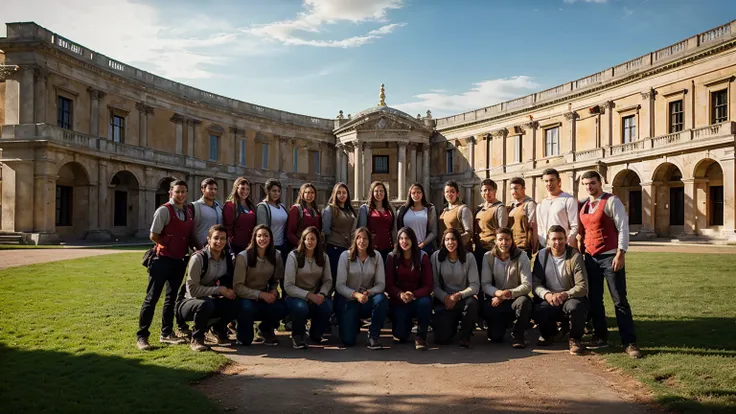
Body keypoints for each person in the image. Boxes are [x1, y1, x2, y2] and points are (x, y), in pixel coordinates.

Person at [579, 170, 641, 359]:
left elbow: (623, 228)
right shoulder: (584, 205)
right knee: (595, 300)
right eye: (586, 184)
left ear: (600, 182)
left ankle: (629, 342)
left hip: (610, 256)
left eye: (592, 183)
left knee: (619, 300)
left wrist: (620, 253)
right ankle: (600, 336)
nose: (590, 187)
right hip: (590, 257)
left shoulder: (612, 201)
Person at [137, 179, 195, 350]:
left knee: (171, 298)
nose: (181, 195)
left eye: (183, 191)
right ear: (171, 192)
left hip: (179, 260)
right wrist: (167, 244)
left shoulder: (188, 211)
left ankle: (166, 333)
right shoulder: (164, 210)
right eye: (177, 192)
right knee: (152, 298)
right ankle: (142, 336)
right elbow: (153, 234)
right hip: (162, 260)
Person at [177, 224, 238, 351]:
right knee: (206, 304)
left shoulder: (227, 258)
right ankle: (197, 338)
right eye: (215, 238)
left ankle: (218, 330)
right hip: (189, 302)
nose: (219, 242)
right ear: (208, 239)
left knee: (236, 302)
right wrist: (219, 290)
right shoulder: (198, 258)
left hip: (211, 299)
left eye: (222, 238)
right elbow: (193, 290)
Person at [532, 225, 589, 356]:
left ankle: (575, 339)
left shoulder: (575, 256)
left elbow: (582, 286)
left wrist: (565, 294)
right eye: (554, 239)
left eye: (561, 239)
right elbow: (535, 283)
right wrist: (546, 295)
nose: (557, 242)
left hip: (570, 296)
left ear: (566, 239)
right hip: (550, 297)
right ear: (548, 241)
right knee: (538, 308)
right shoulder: (541, 256)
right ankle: (549, 334)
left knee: (576, 307)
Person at [335, 227, 388, 349]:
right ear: (354, 240)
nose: (362, 241)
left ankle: (373, 335)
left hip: (367, 299)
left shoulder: (376, 256)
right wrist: (355, 295)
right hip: (349, 300)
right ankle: (350, 324)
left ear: (369, 241)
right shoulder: (345, 256)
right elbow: (339, 285)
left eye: (365, 238)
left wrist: (370, 292)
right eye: (358, 238)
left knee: (381, 300)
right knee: (348, 341)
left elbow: (381, 284)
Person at [233, 224, 286, 346]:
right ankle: (243, 333)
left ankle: (265, 329)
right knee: (245, 341)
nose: (263, 239)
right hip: (245, 297)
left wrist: (273, 290)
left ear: (271, 238)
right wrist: (261, 294)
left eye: (266, 236)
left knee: (282, 307)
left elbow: (275, 279)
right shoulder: (243, 256)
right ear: (254, 238)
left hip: (263, 295)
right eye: (259, 236)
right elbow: (238, 287)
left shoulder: (276, 255)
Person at [480, 227, 532, 349]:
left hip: (515, 298)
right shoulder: (488, 257)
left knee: (524, 302)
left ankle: (518, 334)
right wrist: (498, 293)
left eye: (507, 239)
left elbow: (527, 285)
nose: (504, 243)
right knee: (495, 338)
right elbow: (485, 284)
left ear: (512, 241)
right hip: (496, 300)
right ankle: (502, 325)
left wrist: (508, 294)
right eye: (501, 239)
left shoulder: (522, 256)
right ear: (495, 241)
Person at [284, 226, 333, 349]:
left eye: (313, 239)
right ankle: (298, 335)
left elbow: (328, 280)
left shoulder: (324, 257)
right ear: (303, 240)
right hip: (295, 296)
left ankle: (316, 333)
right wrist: (308, 295)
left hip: (315, 295)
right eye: (307, 239)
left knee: (327, 305)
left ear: (318, 241)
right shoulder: (293, 256)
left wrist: (322, 293)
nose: (310, 242)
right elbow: (288, 286)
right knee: (301, 307)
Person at [431, 228, 480, 348]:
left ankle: (465, 335)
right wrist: (445, 298)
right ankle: (452, 327)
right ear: (443, 241)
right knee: (441, 339)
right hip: (445, 301)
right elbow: (434, 285)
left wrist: (458, 296)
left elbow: (475, 285)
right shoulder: (436, 257)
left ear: (458, 241)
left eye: (453, 239)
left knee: (472, 304)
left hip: (463, 298)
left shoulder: (469, 257)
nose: (450, 242)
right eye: (447, 239)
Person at [385, 227, 433, 350]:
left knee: (426, 302)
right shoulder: (392, 257)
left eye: (407, 238)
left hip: (417, 298)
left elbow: (428, 285)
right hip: (399, 300)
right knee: (400, 336)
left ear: (413, 239)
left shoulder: (423, 256)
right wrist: (400, 294)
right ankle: (405, 324)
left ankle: (421, 336)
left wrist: (414, 294)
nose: (404, 241)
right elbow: (389, 284)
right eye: (401, 238)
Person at [322, 182, 357, 283]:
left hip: (348, 248)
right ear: (335, 194)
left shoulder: (350, 210)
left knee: (345, 278)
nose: (342, 195)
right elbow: (326, 230)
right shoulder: (330, 209)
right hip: (334, 247)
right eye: (339, 193)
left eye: (344, 193)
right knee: (335, 277)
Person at [537, 168, 579, 248]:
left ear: (559, 181)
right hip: (547, 247)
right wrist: (544, 243)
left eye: (552, 180)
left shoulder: (569, 200)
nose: (549, 183)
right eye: (546, 181)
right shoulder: (541, 204)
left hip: (564, 246)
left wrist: (565, 242)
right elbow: (540, 228)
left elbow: (575, 226)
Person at [357, 181, 396, 262]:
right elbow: (362, 230)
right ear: (372, 193)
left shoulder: (390, 209)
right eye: (376, 191)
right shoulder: (365, 209)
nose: (379, 193)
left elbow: (394, 228)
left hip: (389, 248)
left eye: (381, 191)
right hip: (372, 249)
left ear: (385, 193)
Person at [396, 183, 438, 255]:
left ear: (422, 194)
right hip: (406, 247)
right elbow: (398, 229)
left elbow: (434, 232)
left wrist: (422, 244)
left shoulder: (430, 209)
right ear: (410, 194)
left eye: (418, 192)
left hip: (425, 247)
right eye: (413, 193)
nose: (416, 195)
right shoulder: (402, 210)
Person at [222, 177, 256, 255]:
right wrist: (230, 250)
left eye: (248, 189)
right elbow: (228, 229)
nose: (245, 191)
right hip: (235, 246)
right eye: (242, 188)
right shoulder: (230, 205)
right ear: (236, 188)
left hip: (249, 246)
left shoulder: (250, 205)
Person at [256, 179, 289, 259]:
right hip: (270, 246)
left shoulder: (282, 206)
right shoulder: (262, 207)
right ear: (267, 191)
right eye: (274, 191)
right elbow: (262, 230)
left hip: (283, 245)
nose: (276, 193)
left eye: (278, 191)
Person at [507, 177, 538, 258]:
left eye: (516, 188)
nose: (513, 191)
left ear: (523, 188)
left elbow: (533, 226)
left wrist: (534, 247)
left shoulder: (530, 204)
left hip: (523, 246)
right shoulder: (511, 206)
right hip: (511, 245)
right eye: (511, 189)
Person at [286, 183, 322, 252]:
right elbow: (290, 233)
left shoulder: (317, 211)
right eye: (307, 192)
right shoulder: (296, 209)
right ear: (302, 193)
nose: (310, 195)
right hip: (299, 248)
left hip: (314, 249)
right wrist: (301, 245)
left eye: (312, 193)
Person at [439, 180, 473, 251]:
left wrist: (454, 243)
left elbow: (468, 233)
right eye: (447, 192)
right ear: (444, 193)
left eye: (452, 191)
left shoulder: (463, 209)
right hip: (445, 249)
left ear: (457, 194)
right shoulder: (444, 211)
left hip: (460, 249)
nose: (449, 194)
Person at [192, 178, 223, 249]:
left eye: (215, 189)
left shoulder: (219, 207)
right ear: (203, 189)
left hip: (218, 248)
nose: (213, 191)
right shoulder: (195, 206)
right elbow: (191, 231)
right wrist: (199, 247)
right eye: (210, 189)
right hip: (201, 249)